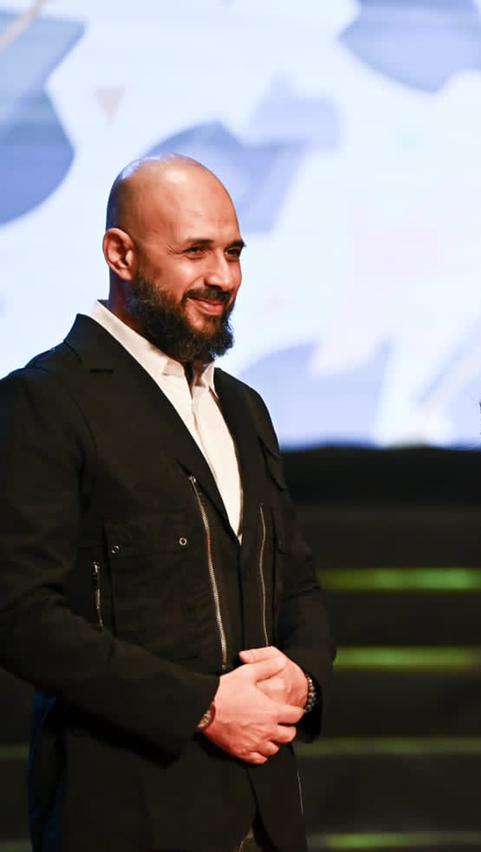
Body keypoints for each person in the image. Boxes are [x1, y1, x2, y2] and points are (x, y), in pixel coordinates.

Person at [0, 155, 335, 851]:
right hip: (128, 814)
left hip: (267, 814)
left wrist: (302, 679)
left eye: (233, 252)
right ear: (120, 254)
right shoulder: (46, 401)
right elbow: (18, 613)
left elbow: (296, 585)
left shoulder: (244, 407)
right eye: (195, 252)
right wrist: (202, 705)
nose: (223, 277)